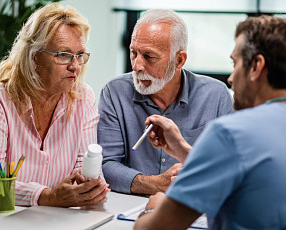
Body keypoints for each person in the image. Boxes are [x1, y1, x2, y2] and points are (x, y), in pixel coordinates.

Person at [134, 15, 286, 229]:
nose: (231, 79)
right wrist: (183, 150)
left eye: (235, 64)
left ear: (256, 66)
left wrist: (153, 208)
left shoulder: (230, 133)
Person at [0, 3, 110, 207]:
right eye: (63, 55)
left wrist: (90, 186)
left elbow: (86, 167)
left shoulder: (83, 97)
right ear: (34, 56)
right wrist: (47, 196)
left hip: (64, 220)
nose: (75, 66)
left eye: (80, 55)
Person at [98, 9, 233, 195]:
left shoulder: (216, 96)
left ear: (179, 60)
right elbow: (106, 165)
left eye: (149, 57)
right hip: (128, 208)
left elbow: (229, 167)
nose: (137, 66)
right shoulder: (114, 92)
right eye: (133, 53)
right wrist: (155, 184)